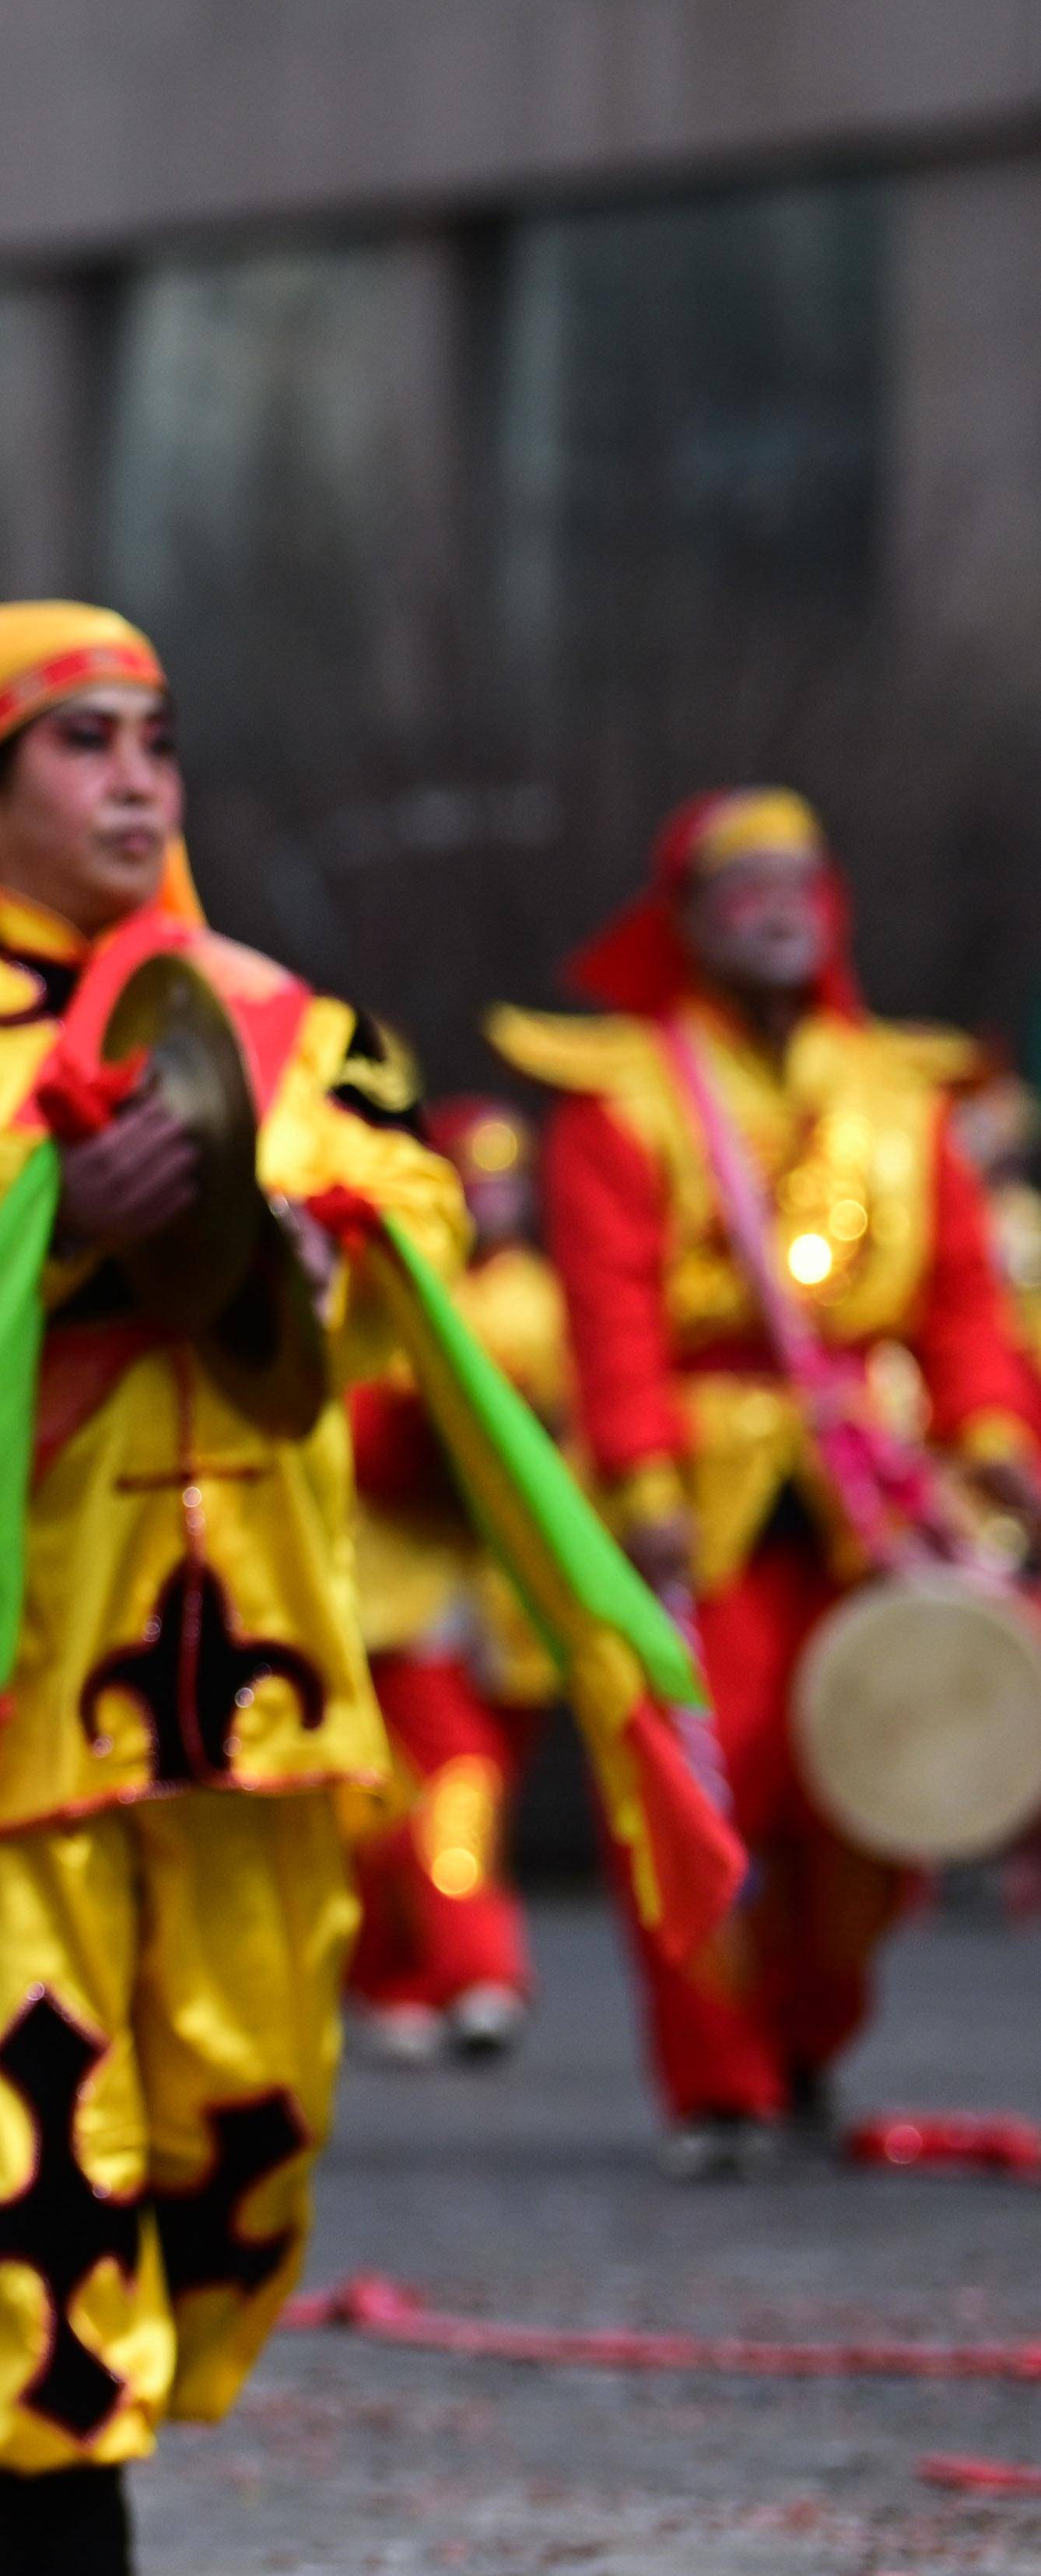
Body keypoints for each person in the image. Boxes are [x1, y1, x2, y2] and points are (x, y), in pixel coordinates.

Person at [0, 602, 463, 2576]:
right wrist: (62, 1181)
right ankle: (59, 2491)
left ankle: (124, 2402)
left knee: (248, 2103)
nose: (139, 777)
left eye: (156, 736)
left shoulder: (280, 1013)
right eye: (83, 740)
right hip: (1, 1651)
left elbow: (423, 1219)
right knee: (38, 2086)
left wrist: (292, 1210)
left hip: (258, 1652)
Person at [491, 791, 1041, 2171]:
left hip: (872, 1486)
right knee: (695, 1781)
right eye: (742, 883)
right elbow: (610, 1312)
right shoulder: (622, 1101)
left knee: (877, 1788)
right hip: (700, 1496)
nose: (776, 903)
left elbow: (964, 1301)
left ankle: (806, 2038)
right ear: (683, 921)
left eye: (799, 876)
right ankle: (717, 2081)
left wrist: (991, 1443)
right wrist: (642, 1481)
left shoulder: (899, 1096)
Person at [338, 1098, 559, 2066]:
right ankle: (444, 1971)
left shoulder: (526, 1299)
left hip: (487, 1607)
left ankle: (453, 1970)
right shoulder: (397, 1287)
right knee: (400, 1795)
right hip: (393, 1600)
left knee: (457, 1789)